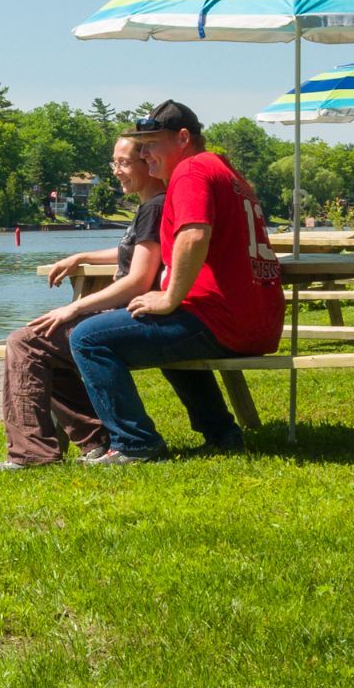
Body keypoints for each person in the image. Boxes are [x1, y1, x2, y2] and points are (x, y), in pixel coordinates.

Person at [66, 100, 282, 460]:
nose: (144, 154)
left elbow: (194, 235)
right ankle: (221, 434)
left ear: (183, 138)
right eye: (142, 146)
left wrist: (169, 298)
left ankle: (135, 443)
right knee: (166, 329)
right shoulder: (227, 172)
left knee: (88, 338)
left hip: (221, 320)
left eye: (152, 143)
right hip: (257, 322)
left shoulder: (190, 171)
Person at [0, 133, 166, 467]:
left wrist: (73, 307)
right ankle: (96, 440)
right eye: (113, 163)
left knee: (26, 342)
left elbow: (139, 279)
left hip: (134, 315)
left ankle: (33, 454)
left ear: (148, 162)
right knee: (44, 341)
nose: (116, 171)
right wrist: (82, 256)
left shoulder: (154, 207)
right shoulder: (152, 206)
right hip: (133, 313)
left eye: (124, 163)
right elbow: (135, 252)